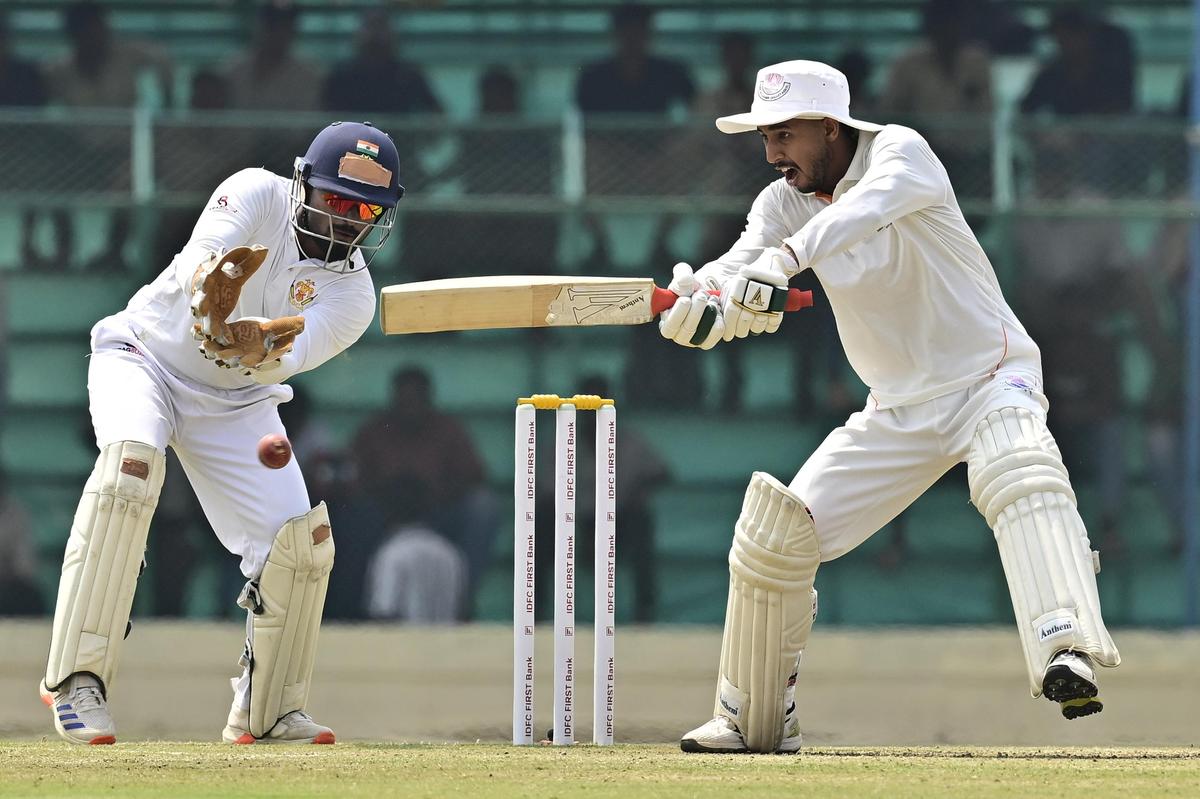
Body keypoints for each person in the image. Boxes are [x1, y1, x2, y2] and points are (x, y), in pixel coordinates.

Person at [656, 60, 1120, 754]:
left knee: (1017, 464)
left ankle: (1066, 649)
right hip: (897, 408)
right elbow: (738, 263)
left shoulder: (902, 152)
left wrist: (779, 265)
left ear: (830, 127)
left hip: (989, 375)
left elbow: (858, 215)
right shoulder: (782, 202)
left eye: (784, 133)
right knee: (776, 536)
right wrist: (701, 300)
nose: (771, 152)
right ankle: (752, 719)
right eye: (764, 136)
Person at [38, 120, 406, 745]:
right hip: (143, 357)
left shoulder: (353, 297)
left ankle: (265, 712)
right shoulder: (257, 193)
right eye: (338, 201)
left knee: (301, 544)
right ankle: (75, 681)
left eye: (366, 208)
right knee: (131, 467)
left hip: (237, 402)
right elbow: (201, 266)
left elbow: (278, 359)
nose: (349, 220)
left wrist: (257, 341)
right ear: (304, 184)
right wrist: (213, 290)